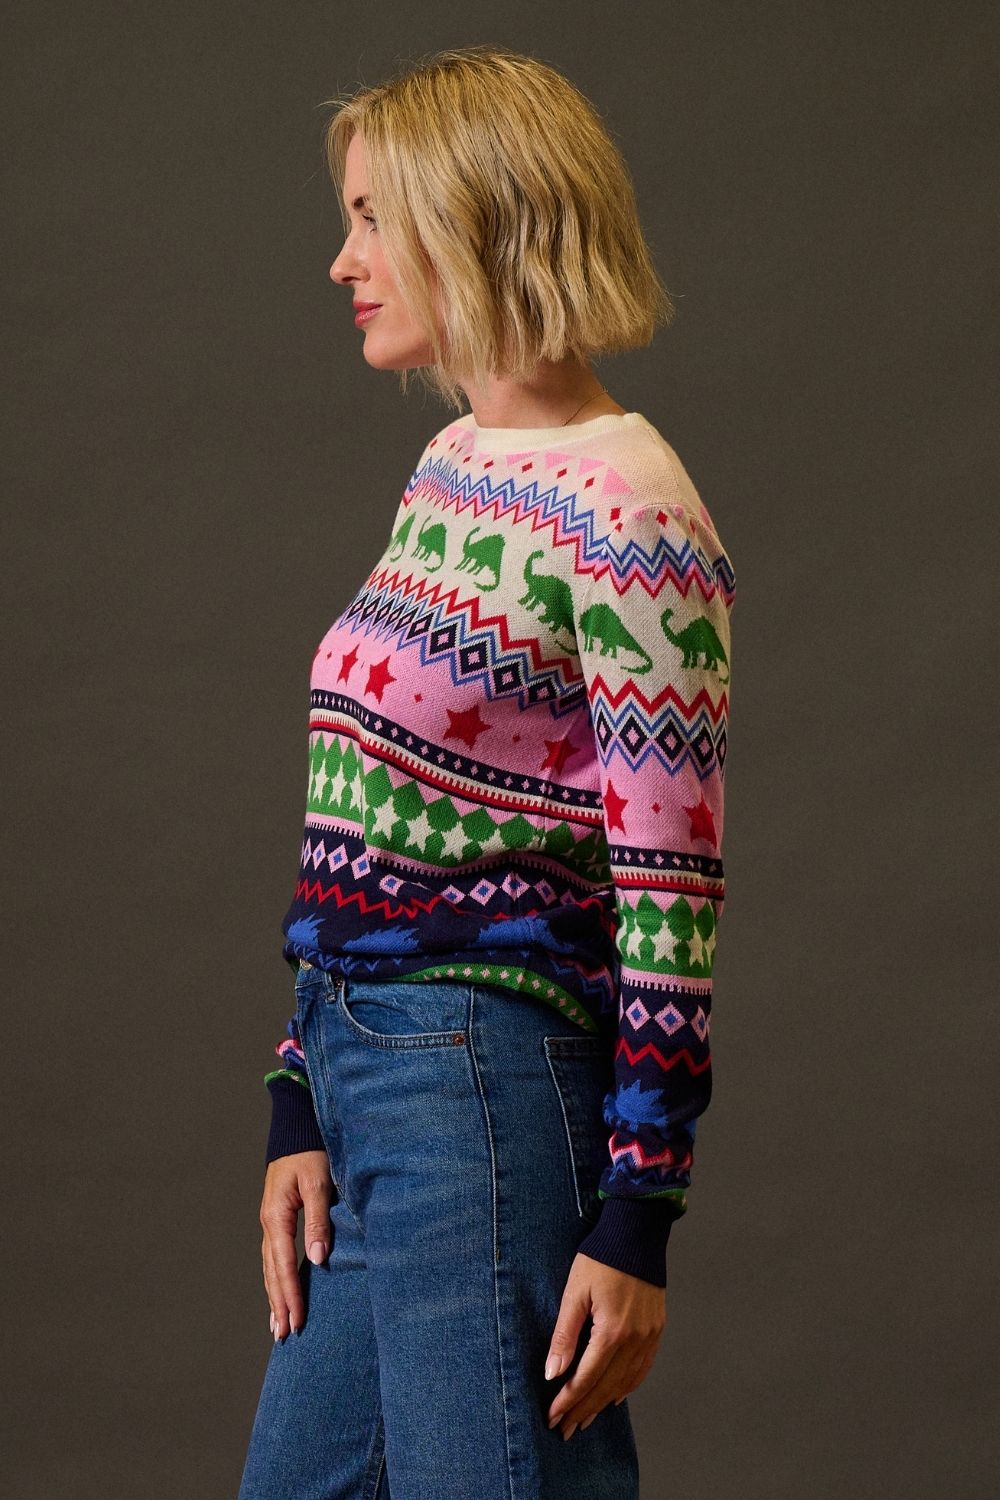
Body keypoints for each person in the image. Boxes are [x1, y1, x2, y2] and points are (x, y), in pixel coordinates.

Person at [238, 43, 736, 1500]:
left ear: (476, 215)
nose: (344, 261)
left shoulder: (631, 514)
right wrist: (298, 1095)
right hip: (367, 1070)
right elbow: (366, 823)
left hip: (482, 1093)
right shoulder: (457, 463)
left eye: (371, 219)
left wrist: (641, 1210)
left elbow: (670, 890)